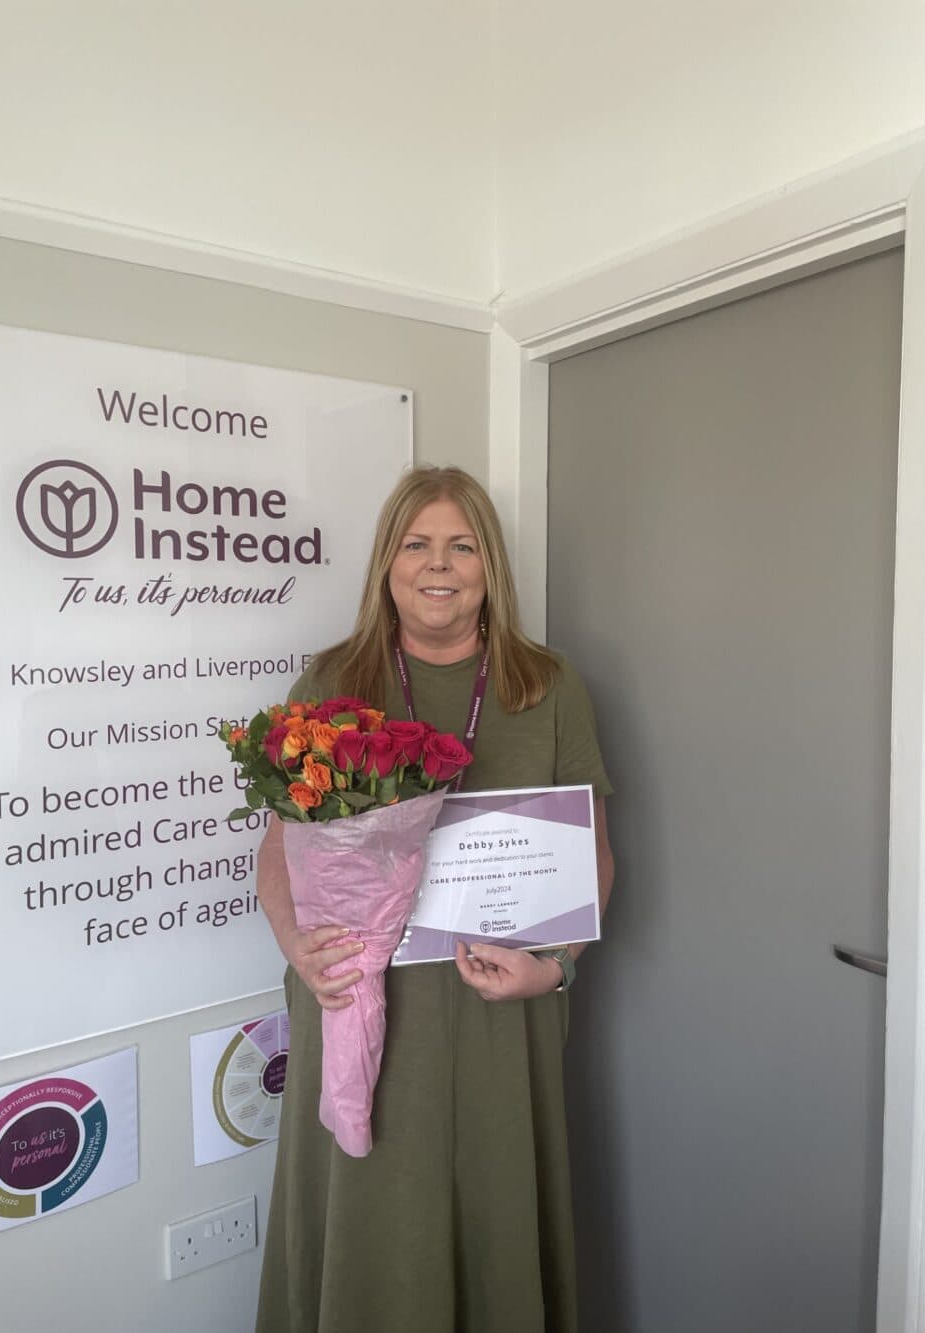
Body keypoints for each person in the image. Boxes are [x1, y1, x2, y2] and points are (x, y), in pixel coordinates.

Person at [255, 465, 614, 1333]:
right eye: (417, 543)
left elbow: (594, 854)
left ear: (489, 563)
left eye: (461, 544)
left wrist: (557, 970)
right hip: (363, 1004)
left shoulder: (549, 684)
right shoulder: (333, 680)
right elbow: (278, 850)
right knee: (375, 1218)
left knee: (495, 1210)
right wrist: (295, 946)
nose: (438, 564)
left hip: (504, 1005)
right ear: (388, 563)